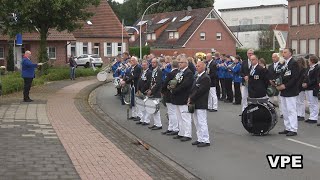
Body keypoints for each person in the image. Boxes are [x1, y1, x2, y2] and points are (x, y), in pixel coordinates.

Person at [276, 48, 300, 136]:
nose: (283, 54)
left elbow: (295, 77)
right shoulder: (284, 64)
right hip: (283, 91)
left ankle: (293, 129)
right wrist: (278, 83)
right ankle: (287, 127)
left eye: (285, 52)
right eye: (283, 52)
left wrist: (285, 86)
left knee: (291, 110)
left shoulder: (294, 63)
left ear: (290, 53)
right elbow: (282, 76)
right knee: (285, 110)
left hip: (291, 90)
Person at [171, 54, 194, 142]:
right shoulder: (179, 72)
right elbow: (174, 81)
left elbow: (185, 85)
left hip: (184, 97)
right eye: (179, 62)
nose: (179, 64)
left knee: (185, 117)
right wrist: (170, 87)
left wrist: (175, 89)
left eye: (181, 62)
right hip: (177, 97)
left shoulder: (188, 72)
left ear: (186, 63)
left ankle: (187, 134)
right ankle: (181, 132)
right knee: (179, 117)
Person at [188, 61, 211, 147]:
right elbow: (193, 89)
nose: (197, 67)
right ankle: (200, 138)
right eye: (196, 66)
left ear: (203, 67)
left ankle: (205, 140)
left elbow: (200, 91)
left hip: (201, 102)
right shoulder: (197, 76)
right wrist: (190, 97)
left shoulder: (205, 78)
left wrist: (191, 98)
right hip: (195, 102)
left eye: (198, 66)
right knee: (196, 122)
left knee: (202, 122)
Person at [161, 60, 179, 135]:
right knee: (171, 112)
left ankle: (174, 128)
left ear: (171, 65)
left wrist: (162, 90)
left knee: (172, 112)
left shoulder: (171, 73)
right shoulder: (178, 73)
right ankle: (170, 127)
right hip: (174, 94)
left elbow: (165, 83)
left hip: (169, 94)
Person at [146, 58, 163, 130]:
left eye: (154, 63)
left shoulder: (159, 71)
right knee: (153, 109)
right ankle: (156, 123)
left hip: (156, 92)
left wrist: (152, 91)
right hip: (152, 91)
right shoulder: (153, 70)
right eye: (152, 62)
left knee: (156, 109)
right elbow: (152, 82)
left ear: (157, 63)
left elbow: (158, 83)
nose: (152, 64)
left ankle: (159, 124)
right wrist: (149, 89)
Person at [302, 55, 320, 124]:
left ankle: (314, 118)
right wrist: (304, 83)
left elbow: (316, 79)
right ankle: (311, 116)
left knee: (314, 103)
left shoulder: (317, 68)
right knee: (310, 102)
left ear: (312, 61)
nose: (308, 62)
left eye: (309, 60)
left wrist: (308, 84)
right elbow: (306, 76)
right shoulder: (309, 68)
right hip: (308, 88)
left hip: (313, 87)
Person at [136, 60, 152, 126]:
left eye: (144, 65)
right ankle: (142, 119)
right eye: (142, 65)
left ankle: (147, 120)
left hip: (145, 91)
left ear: (147, 65)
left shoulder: (149, 72)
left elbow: (148, 82)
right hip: (140, 91)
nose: (143, 66)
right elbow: (139, 81)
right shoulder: (142, 72)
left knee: (146, 106)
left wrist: (142, 90)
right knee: (141, 106)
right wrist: (138, 89)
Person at [126, 56, 142, 121]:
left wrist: (127, 80)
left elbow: (135, 76)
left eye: (132, 60)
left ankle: (139, 115)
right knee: (132, 100)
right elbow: (128, 74)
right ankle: (133, 114)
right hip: (132, 85)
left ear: (136, 61)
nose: (131, 62)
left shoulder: (138, 67)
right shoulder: (131, 68)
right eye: (131, 60)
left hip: (136, 85)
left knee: (137, 100)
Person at [268, 53, 283, 118]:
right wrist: (270, 80)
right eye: (272, 57)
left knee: (280, 100)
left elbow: (281, 75)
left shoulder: (282, 66)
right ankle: (271, 112)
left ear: (278, 58)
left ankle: (282, 113)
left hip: (279, 84)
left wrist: (277, 82)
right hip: (271, 85)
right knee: (270, 99)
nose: (273, 58)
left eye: (275, 57)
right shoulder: (270, 66)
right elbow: (268, 74)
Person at [296, 57, 307, 121]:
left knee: (301, 102)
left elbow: (302, 79)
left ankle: (302, 115)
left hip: (301, 88)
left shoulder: (303, 70)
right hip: (298, 87)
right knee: (298, 102)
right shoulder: (298, 69)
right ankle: (299, 114)